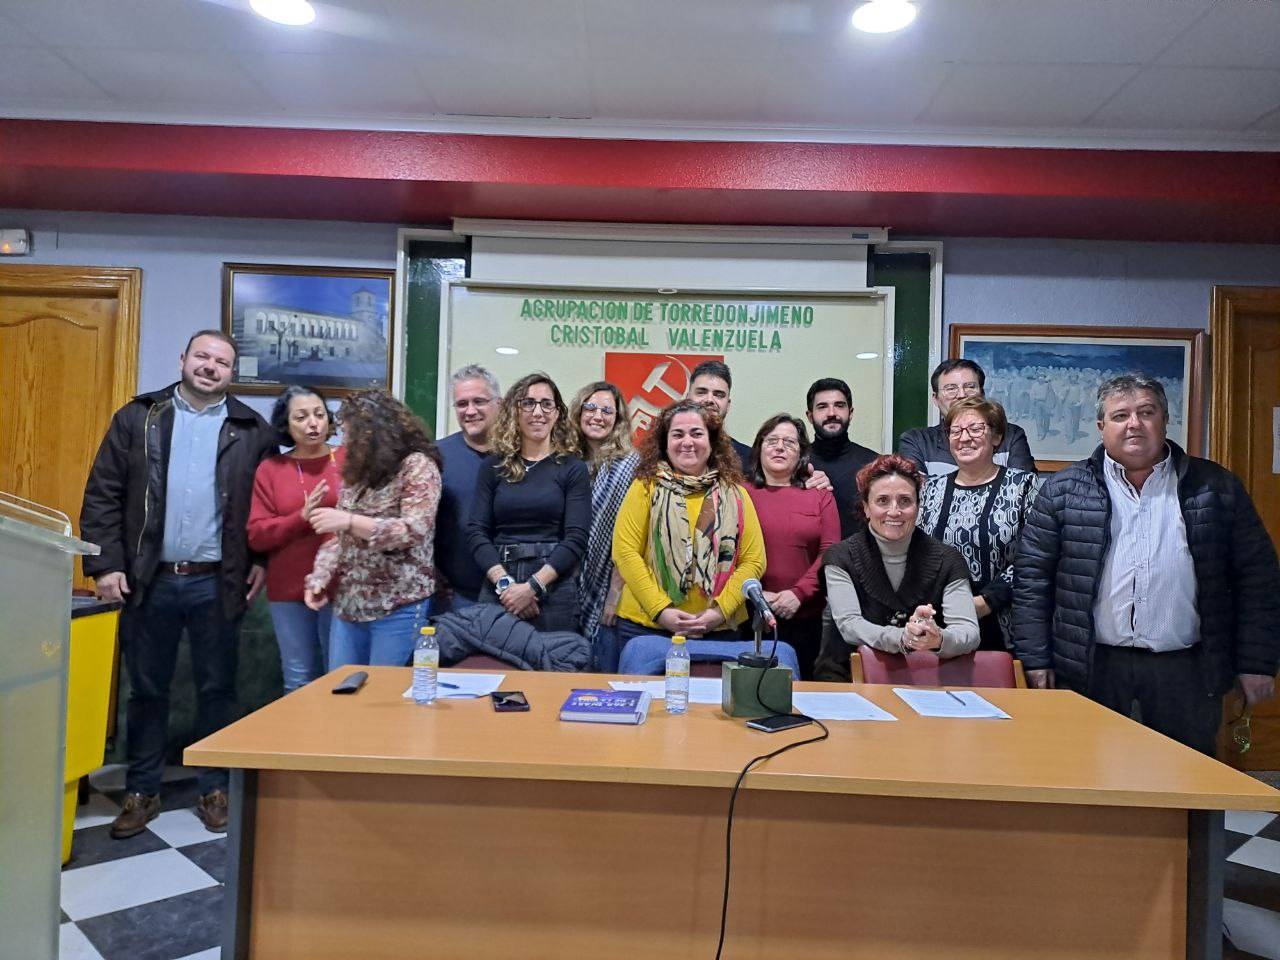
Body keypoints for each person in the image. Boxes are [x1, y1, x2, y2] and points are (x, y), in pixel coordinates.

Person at [1013, 373, 1280, 754]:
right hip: (1091, 667)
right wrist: (1035, 658)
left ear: (1165, 420)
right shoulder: (1062, 490)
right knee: (1088, 778)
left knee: (1188, 786)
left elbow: (1259, 579)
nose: (1134, 424)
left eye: (1146, 412)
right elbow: (1032, 581)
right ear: (1101, 426)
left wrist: (1256, 662)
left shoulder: (1216, 487)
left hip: (1186, 669)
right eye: (1120, 415)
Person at [80, 330, 274, 837]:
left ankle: (213, 786)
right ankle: (142, 790)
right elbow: (103, 492)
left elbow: (266, 504)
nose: (211, 367)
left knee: (217, 689)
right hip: (150, 579)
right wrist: (105, 565)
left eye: (223, 362)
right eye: (203, 357)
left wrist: (261, 561)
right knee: (146, 690)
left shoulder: (252, 428)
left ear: (234, 373)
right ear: (182, 358)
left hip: (218, 581)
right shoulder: (138, 417)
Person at [613, 399, 801, 677]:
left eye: (697, 433)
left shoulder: (736, 494)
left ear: (712, 442)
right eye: (677, 434)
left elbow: (753, 562)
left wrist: (719, 612)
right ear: (665, 443)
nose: (687, 442)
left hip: (720, 633)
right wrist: (661, 610)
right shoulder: (645, 487)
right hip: (646, 628)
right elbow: (625, 552)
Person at [304, 391, 442, 668]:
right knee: (341, 693)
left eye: (353, 433)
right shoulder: (358, 472)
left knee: (385, 700)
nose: (346, 441)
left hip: (399, 605)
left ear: (378, 432)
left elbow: (414, 530)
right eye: (344, 433)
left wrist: (350, 521)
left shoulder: (416, 466)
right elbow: (338, 538)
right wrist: (319, 578)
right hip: (349, 605)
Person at [813, 454, 980, 682]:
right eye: (882, 501)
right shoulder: (840, 557)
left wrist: (937, 638)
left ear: (918, 507)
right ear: (866, 508)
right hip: (846, 680)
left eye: (905, 501)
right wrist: (904, 638)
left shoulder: (949, 560)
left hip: (925, 683)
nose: (894, 511)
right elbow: (850, 626)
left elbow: (968, 632)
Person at [467, 373, 591, 633]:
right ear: (515, 410)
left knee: (553, 666)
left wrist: (533, 587)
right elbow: (476, 532)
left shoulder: (572, 468)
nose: (538, 412)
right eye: (529, 403)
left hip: (553, 584)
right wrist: (506, 586)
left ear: (557, 414)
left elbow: (576, 538)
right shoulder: (493, 466)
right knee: (493, 667)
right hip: (499, 581)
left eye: (547, 404)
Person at [916, 397, 1038, 651]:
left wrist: (985, 602)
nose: (964, 438)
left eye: (976, 429)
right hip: (940, 623)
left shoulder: (1024, 486)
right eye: (956, 431)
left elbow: (1036, 557)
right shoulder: (931, 489)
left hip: (1005, 622)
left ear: (996, 437)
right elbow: (917, 552)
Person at [247, 386, 344, 692]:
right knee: (299, 678)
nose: (313, 423)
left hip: (344, 587)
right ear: (285, 425)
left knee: (340, 679)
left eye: (319, 414)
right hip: (288, 589)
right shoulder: (272, 468)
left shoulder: (348, 458)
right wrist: (300, 518)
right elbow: (257, 534)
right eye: (301, 417)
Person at [744, 414, 840, 678]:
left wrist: (798, 593)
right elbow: (726, 552)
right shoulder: (740, 493)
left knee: (797, 693)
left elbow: (830, 552)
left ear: (802, 454)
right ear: (759, 447)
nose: (779, 447)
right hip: (748, 613)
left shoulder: (820, 496)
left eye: (789, 442)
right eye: (772, 440)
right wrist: (758, 595)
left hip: (804, 616)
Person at [569, 380, 639, 671]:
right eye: (591, 407)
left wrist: (613, 596)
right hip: (562, 586)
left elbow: (630, 540)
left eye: (607, 411)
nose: (598, 416)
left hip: (607, 590)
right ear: (578, 411)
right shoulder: (564, 460)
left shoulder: (628, 465)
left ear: (618, 420)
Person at [434, 365, 501, 612]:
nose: (470, 411)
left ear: (500, 404)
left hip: (515, 597)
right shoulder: (436, 456)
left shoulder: (521, 456)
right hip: (454, 598)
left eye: (479, 401)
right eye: (462, 404)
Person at [899, 359, 1036, 476]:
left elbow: (1021, 490)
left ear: (982, 394)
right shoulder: (917, 441)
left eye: (970, 387)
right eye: (951, 388)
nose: (961, 395)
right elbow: (916, 494)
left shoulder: (1010, 435)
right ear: (936, 399)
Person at [804, 377, 878, 538]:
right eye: (822, 407)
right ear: (810, 416)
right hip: (808, 561)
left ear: (850, 413)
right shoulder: (796, 464)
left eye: (839, 405)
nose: (832, 413)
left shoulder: (874, 465)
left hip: (862, 560)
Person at [687, 359, 753, 470]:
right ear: (687, 398)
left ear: (728, 405)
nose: (709, 399)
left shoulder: (748, 459)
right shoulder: (663, 452)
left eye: (719, 395)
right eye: (701, 392)